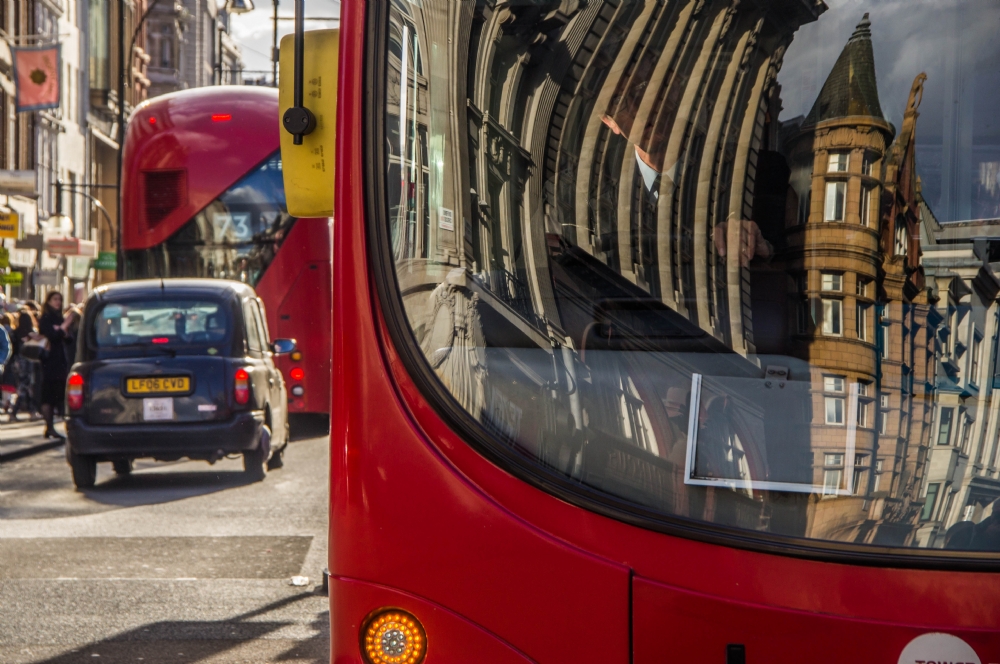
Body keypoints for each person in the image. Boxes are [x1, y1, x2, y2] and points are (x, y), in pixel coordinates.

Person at [38, 292, 73, 438]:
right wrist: (62, 328)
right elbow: (51, 335)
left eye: (60, 299)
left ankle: (55, 427)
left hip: (60, 360)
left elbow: (69, 338)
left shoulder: (59, 318)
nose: (58, 302)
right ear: (49, 301)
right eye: (55, 299)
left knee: (59, 394)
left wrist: (62, 331)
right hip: (49, 361)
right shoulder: (46, 318)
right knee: (49, 395)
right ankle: (49, 426)